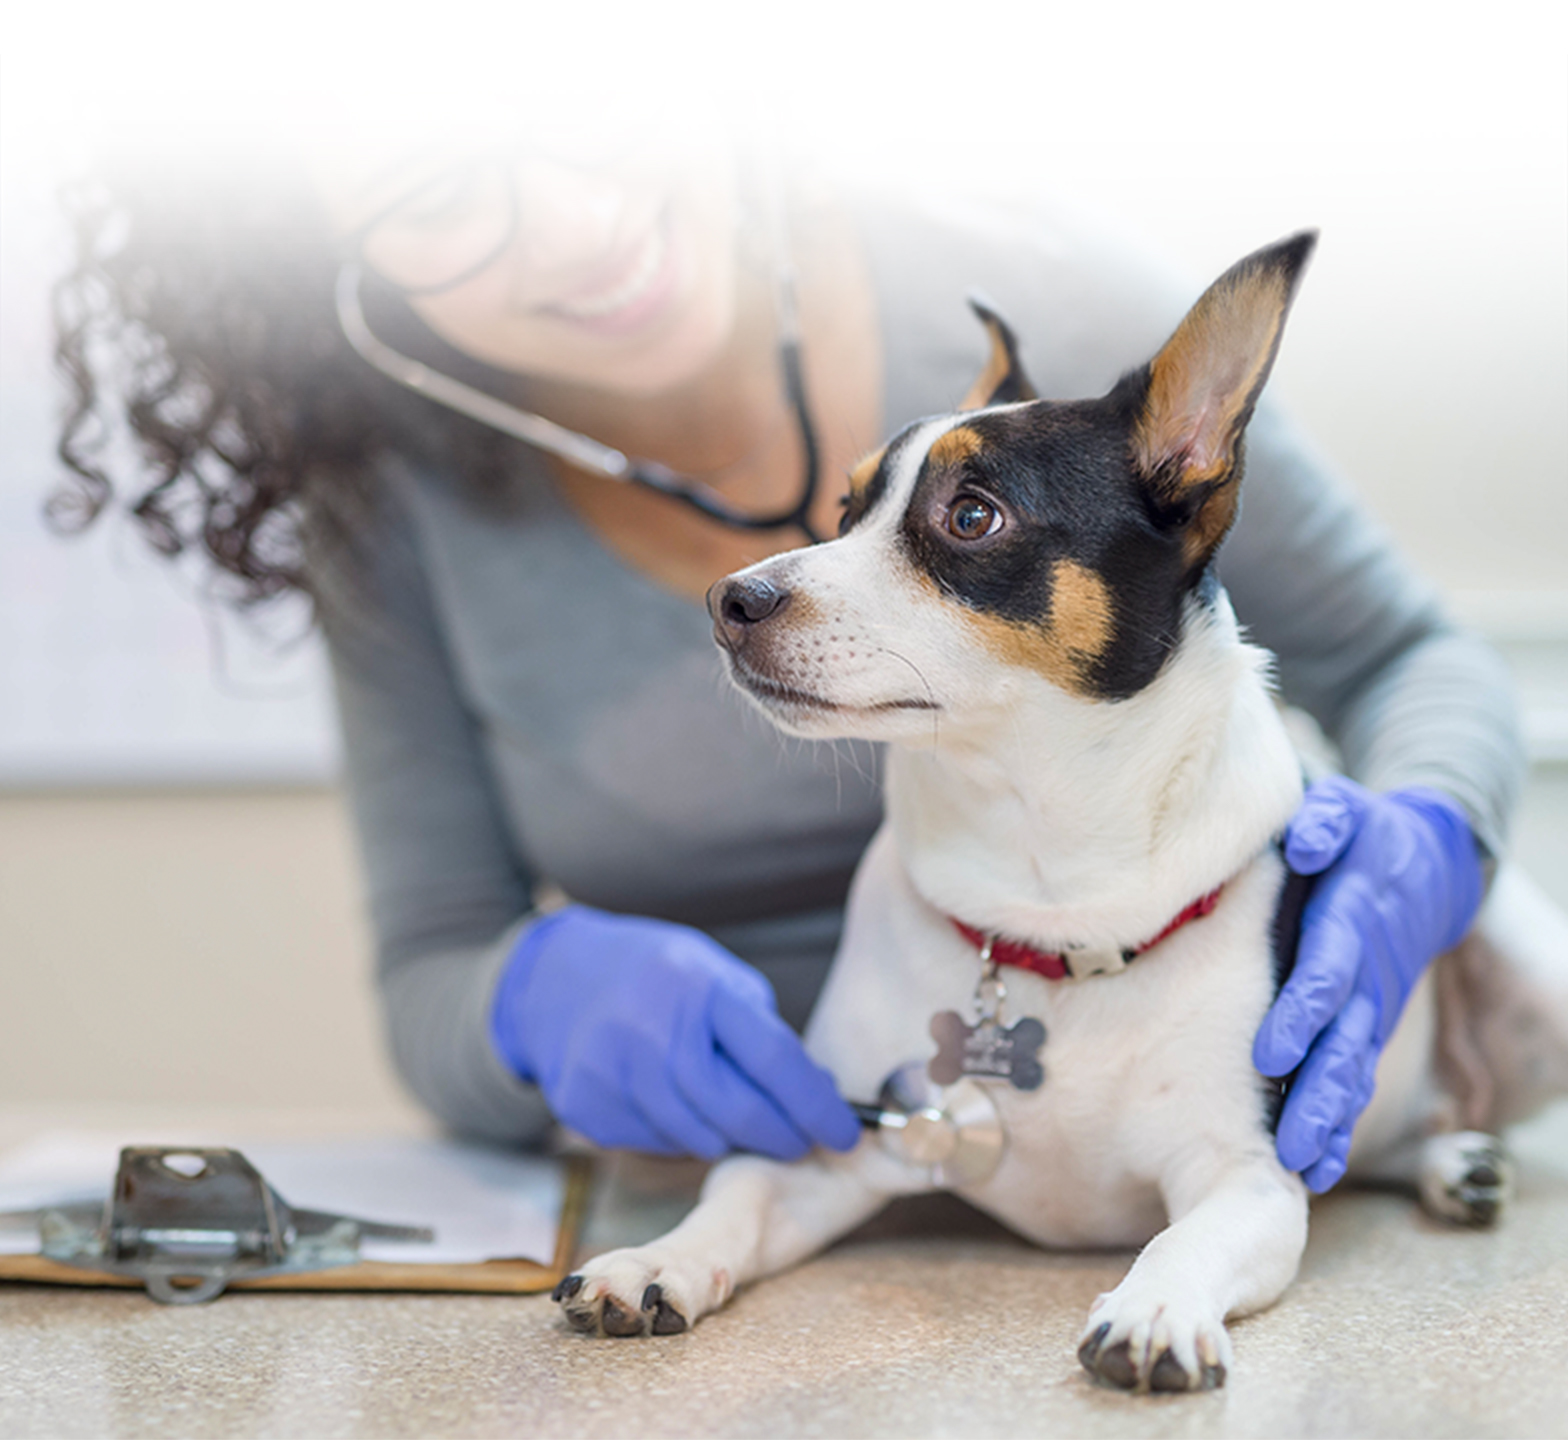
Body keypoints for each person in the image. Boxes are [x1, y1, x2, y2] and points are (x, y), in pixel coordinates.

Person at [54, 129, 1525, 1194]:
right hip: (812, 1168)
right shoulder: (395, 492)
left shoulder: (1040, 286)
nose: (569, 225)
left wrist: (1432, 842)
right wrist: (526, 1008)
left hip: (1172, 1093)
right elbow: (433, 961)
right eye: (441, 194)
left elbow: (1407, 658)